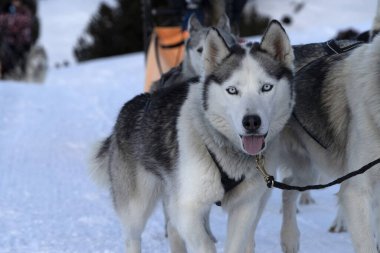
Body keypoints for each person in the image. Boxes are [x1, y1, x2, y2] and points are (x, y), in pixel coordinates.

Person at [0, 0, 33, 77]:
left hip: (19, 43)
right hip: (7, 41)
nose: (15, 2)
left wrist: (8, 20)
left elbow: (23, 21)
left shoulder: (24, 11)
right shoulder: (7, 9)